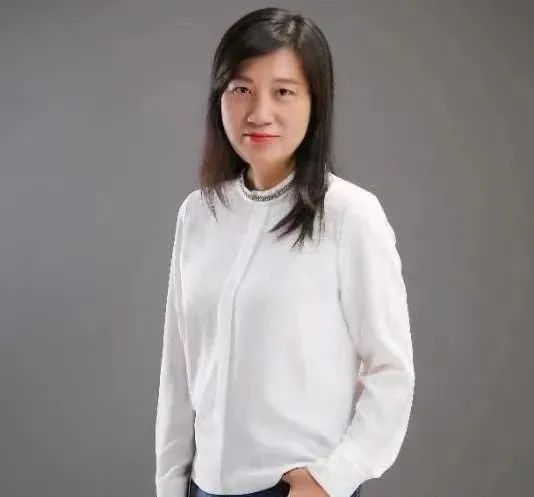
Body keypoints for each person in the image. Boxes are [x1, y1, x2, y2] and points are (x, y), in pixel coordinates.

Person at [155, 7, 415, 497]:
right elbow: (179, 369)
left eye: (283, 91)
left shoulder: (348, 215)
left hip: (296, 487)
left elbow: (391, 372)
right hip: (203, 487)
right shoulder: (198, 214)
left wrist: (333, 477)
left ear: (316, 102)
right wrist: (170, 486)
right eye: (241, 89)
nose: (259, 113)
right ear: (219, 98)